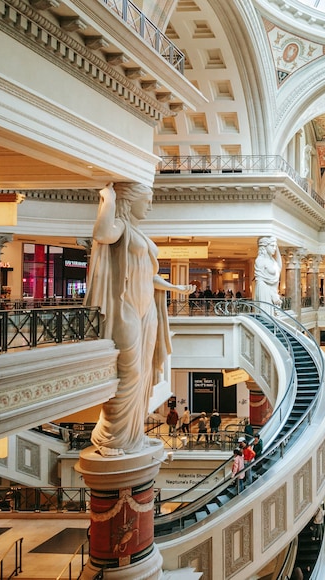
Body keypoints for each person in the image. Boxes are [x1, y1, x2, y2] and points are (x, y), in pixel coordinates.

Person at [86, 183, 195, 456]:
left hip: (147, 312)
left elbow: (148, 275)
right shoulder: (121, 226)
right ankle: (110, 438)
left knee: (143, 374)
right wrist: (107, 200)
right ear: (130, 201)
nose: (150, 206)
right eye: (146, 200)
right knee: (129, 373)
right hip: (126, 308)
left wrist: (175, 289)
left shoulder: (139, 234)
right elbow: (101, 234)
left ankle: (132, 436)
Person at [253, 235, 282, 306]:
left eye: (275, 246)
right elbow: (260, 283)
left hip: (274, 294)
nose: (274, 248)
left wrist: (277, 247)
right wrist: (272, 295)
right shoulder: (260, 261)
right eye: (272, 246)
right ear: (265, 246)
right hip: (266, 296)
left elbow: (279, 267)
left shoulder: (273, 261)